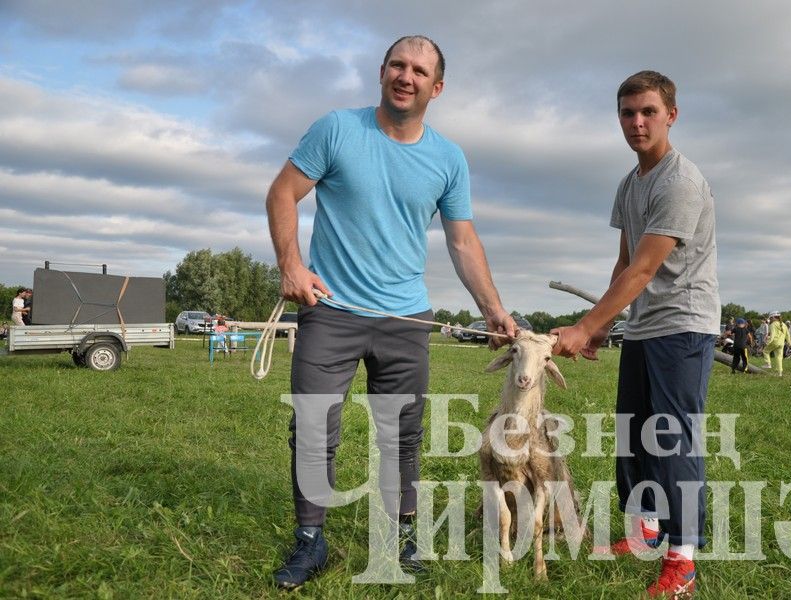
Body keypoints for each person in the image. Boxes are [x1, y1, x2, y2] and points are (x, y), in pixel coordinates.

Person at [265, 35, 516, 590]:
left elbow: (463, 241)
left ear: (437, 87)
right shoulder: (337, 129)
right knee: (312, 427)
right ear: (382, 72)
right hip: (330, 309)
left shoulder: (448, 158)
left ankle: (401, 536)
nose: (407, 76)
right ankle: (310, 542)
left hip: (406, 319)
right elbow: (283, 193)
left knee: (401, 434)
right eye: (398, 65)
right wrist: (291, 264)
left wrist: (494, 309)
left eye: (420, 71)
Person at [551, 71, 719, 599]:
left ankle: (683, 559)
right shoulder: (631, 183)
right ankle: (644, 530)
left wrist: (584, 325)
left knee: (672, 438)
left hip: (684, 324)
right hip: (644, 326)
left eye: (648, 111)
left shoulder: (680, 181)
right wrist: (602, 327)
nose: (637, 122)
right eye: (628, 113)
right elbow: (623, 262)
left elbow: (646, 270)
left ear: (672, 114)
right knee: (633, 433)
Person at [762, 311, 788, 375]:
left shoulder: (773, 325)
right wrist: (789, 342)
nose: (770, 320)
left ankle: (768, 364)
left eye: (770, 318)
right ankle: (780, 373)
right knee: (779, 357)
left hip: (775, 342)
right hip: (782, 343)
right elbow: (787, 334)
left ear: (773, 317)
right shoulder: (784, 324)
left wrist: (768, 342)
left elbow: (772, 335)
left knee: (765, 351)